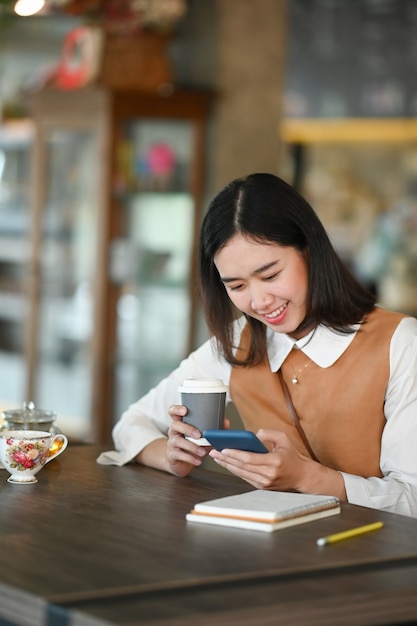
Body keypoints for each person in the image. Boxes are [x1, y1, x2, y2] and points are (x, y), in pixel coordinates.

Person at [98, 172, 417, 518]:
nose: (259, 301)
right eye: (236, 286)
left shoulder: (398, 342)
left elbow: (411, 498)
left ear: (309, 250)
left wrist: (311, 477)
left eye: (270, 275)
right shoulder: (239, 342)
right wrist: (173, 457)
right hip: (272, 554)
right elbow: (131, 424)